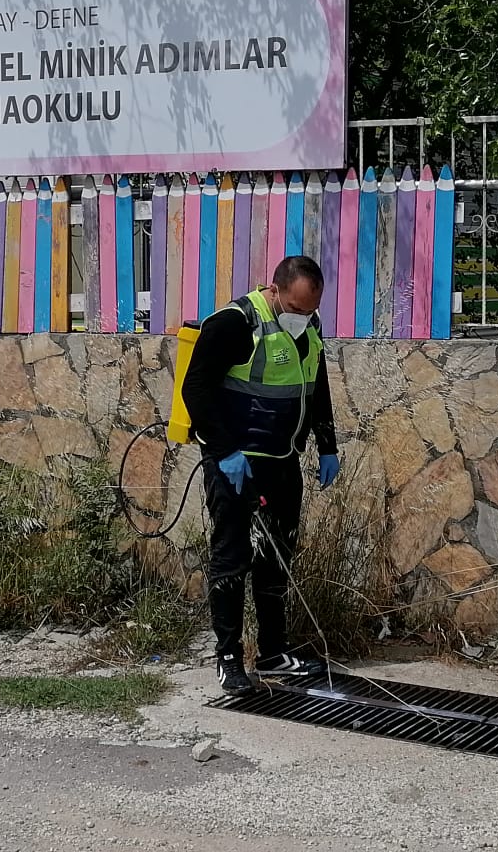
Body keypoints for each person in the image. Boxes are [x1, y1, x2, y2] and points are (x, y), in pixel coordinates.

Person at [179, 255, 340, 694]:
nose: (303, 318)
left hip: (282, 461)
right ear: (275, 291)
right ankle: (229, 658)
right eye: (296, 308)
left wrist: (327, 445)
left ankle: (273, 651)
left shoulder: (309, 326)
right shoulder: (234, 323)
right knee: (232, 558)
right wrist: (224, 450)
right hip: (235, 463)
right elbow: (195, 388)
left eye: (310, 310)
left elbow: (316, 384)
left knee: (277, 558)